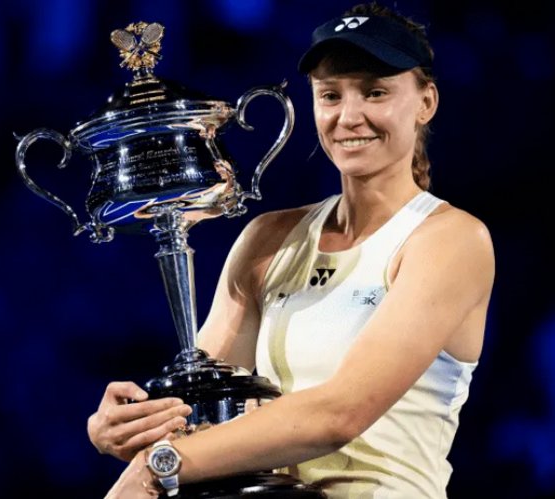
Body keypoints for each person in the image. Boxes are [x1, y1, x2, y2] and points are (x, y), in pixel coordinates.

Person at [90, 3, 495, 497]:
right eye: (331, 95)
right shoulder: (268, 239)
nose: (349, 117)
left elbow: (339, 413)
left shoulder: (450, 240)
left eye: (375, 92)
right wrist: (130, 425)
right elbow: (200, 411)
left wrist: (160, 464)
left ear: (426, 102)